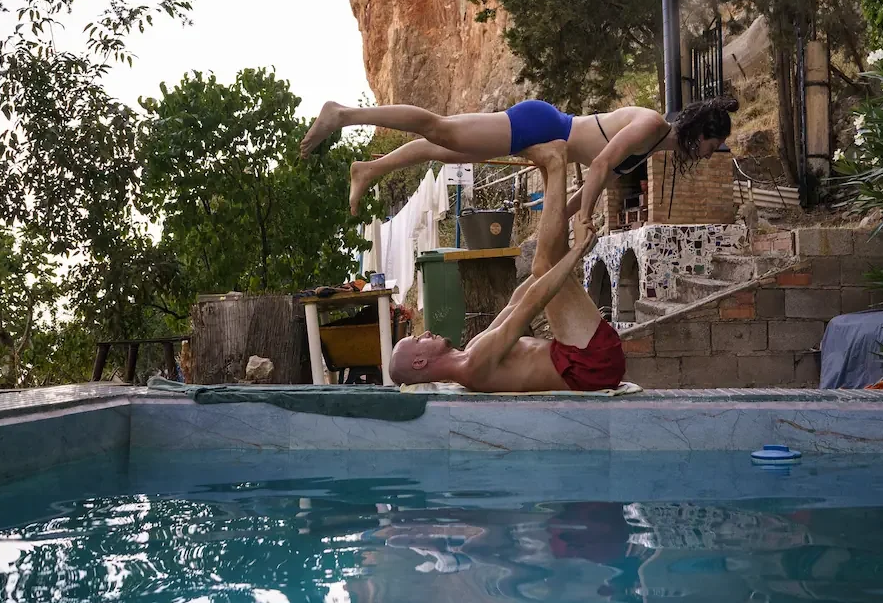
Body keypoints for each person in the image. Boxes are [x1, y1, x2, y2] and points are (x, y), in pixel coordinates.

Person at [388, 141, 625, 393]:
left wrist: (558, 256)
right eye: (418, 340)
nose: (425, 333)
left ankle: (549, 167)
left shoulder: (472, 349)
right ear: (419, 362)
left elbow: (515, 302)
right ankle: (555, 162)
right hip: (591, 365)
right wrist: (576, 250)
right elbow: (530, 305)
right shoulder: (473, 367)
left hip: (578, 355)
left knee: (546, 262)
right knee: (543, 263)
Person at [300, 95, 738, 217]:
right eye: (712, 145)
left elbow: (589, 185)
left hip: (546, 131)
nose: (708, 154)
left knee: (445, 150)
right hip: (542, 125)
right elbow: (602, 165)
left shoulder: (653, 147)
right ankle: (344, 114)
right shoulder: (652, 125)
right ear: (703, 132)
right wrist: (588, 219)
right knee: (441, 129)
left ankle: (370, 168)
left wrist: (562, 216)